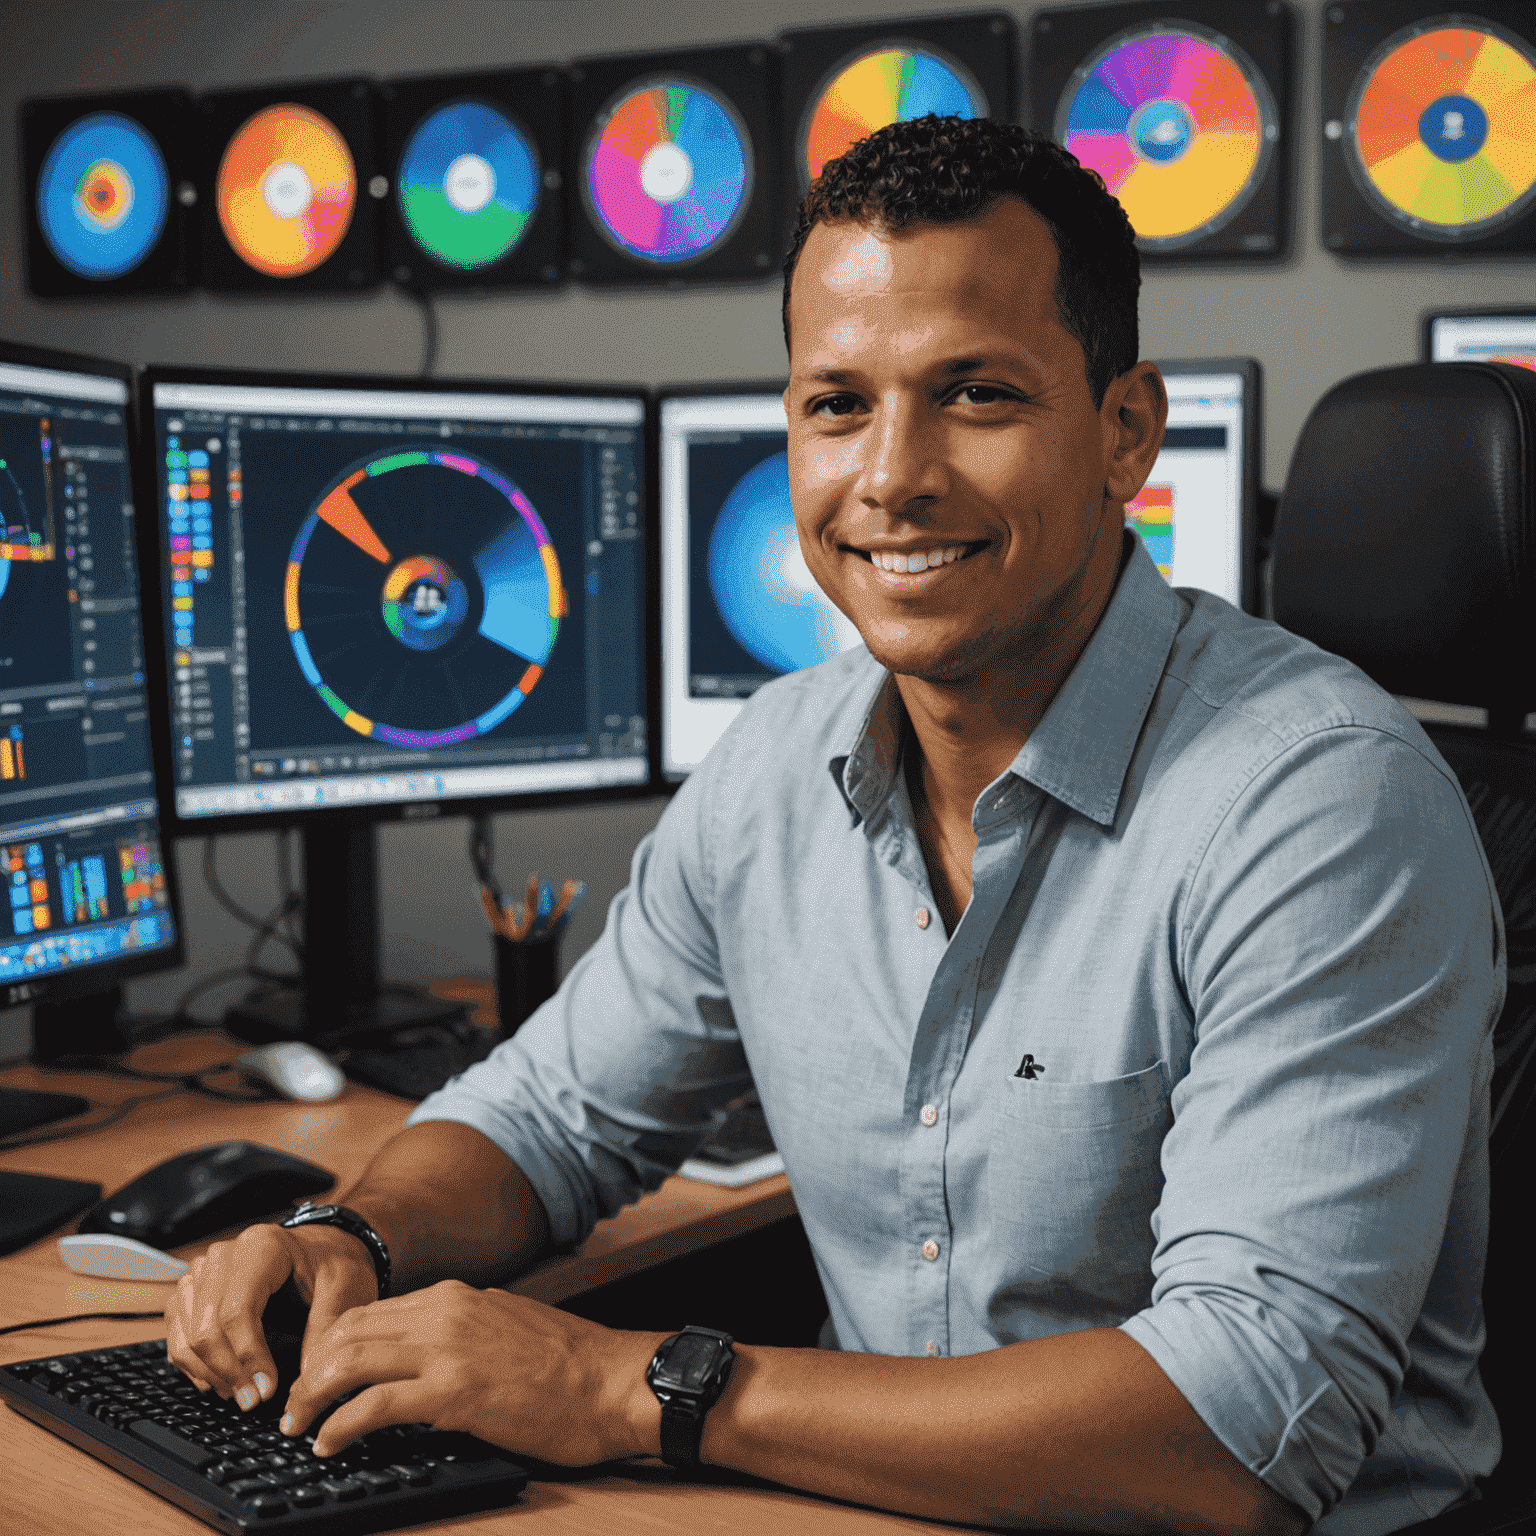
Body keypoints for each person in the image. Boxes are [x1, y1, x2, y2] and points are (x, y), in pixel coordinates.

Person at [166, 117, 1503, 1535]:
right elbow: (549, 1118)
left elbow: (1244, 1428)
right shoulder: (776, 766)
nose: (891, 477)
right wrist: (347, 1236)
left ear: (1126, 435)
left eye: (975, 395)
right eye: (836, 404)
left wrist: (640, 1389)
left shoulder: (1319, 800)